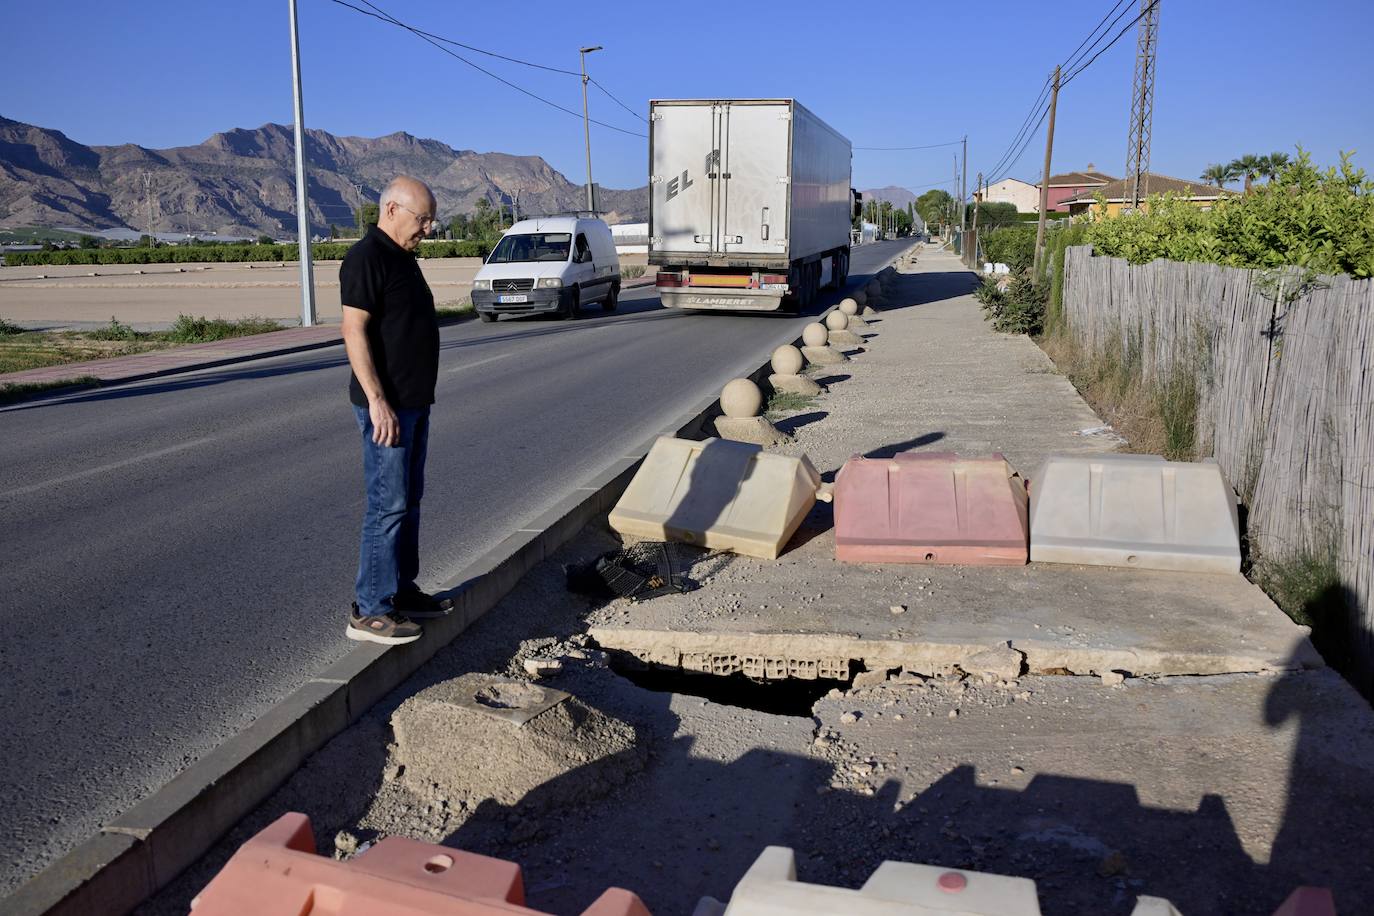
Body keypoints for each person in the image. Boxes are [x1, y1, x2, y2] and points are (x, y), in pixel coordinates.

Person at [340, 175, 450, 644]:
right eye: (422, 218)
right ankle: (369, 609)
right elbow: (354, 332)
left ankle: (402, 592)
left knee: (410, 502)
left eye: (430, 219)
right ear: (391, 210)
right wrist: (378, 402)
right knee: (387, 505)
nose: (427, 228)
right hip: (388, 409)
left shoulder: (402, 258)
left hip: (414, 404)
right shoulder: (367, 258)